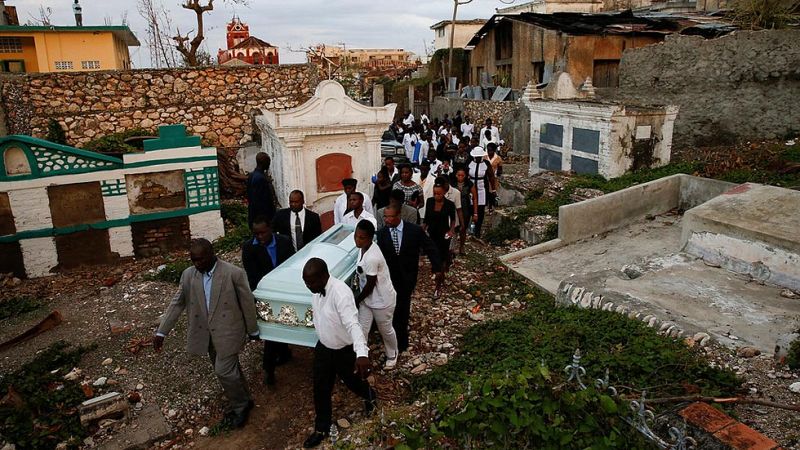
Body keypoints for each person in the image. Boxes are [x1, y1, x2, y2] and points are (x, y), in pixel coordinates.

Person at [154, 239, 259, 429]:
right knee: (231, 370)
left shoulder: (233, 273)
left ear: (212, 254)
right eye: (193, 260)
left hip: (229, 332)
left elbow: (247, 303)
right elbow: (177, 303)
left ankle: (240, 407)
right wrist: (162, 332)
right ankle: (246, 398)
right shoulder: (188, 276)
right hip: (207, 335)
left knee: (223, 371)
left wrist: (253, 330)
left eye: (201, 260)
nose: (197, 264)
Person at [301, 258, 376, 449]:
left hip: (344, 350)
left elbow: (353, 324)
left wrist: (361, 354)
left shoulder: (341, 293)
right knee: (320, 388)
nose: (308, 287)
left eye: (311, 282)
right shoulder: (316, 291)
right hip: (324, 348)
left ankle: (370, 396)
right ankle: (321, 428)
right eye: (306, 282)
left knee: (353, 382)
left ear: (324, 276)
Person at [377, 205, 443, 353]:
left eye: (390, 217)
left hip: (407, 277)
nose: (386, 220)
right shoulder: (381, 234)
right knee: (391, 308)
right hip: (389, 279)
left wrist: (437, 267)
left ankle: (401, 342)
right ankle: (391, 339)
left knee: (403, 308)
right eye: (385, 217)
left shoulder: (414, 231)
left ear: (398, 215)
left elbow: (430, 247)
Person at [241, 217, 295, 386]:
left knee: (284, 325)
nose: (260, 236)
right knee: (272, 332)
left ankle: (284, 353)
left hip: (285, 291)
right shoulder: (249, 248)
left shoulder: (284, 242)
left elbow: (292, 265)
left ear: (270, 229)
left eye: (263, 232)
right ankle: (269, 369)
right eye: (256, 234)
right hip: (266, 295)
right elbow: (253, 276)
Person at [353, 221, 399, 369]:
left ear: (370, 238)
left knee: (385, 329)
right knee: (362, 329)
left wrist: (357, 299)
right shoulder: (363, 249)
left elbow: (371, 284)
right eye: (356, 236)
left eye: (362, 238)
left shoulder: (372, 257)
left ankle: (392, 354)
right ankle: (362, 357)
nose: (357, 240)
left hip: (381, 300)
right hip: (367, 300)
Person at [423, 183, 457, 294]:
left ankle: (439, 283)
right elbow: (426, 219)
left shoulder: (449, 205)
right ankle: (438, 272)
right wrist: (422, 230)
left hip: (444, 234)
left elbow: (453, 220)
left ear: (444, 193)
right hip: (432, 234)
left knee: (441, 257)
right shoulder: (430, 202)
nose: (437, 195)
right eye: (435, 193)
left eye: (439, 193)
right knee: (433, 256)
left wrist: (451, 231)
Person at [467, 146, 496, 238]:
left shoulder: (486, 164)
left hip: (482, 189)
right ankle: (471, 227)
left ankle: (478, 230)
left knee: (480, 210)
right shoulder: (469, 163)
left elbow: (491, 177)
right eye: (477, 156)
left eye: (480, 156)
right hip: (471, 189)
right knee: (470, 209)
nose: (478, 158)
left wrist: (493, 189)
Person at [246, 152, 276, 229]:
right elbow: (260, 202)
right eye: (268, 163)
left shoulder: (252, 175)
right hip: (261, 218)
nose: (269, 165)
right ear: (264, 163)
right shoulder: (260, 178)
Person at [452, 167, 478, 255]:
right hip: (454, 207)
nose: (460, 177)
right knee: (454, 227)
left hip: (465, 208)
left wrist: (475, 213)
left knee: (463, 228)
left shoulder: (469, 184)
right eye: (458, 175)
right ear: (456, 175)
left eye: (462, 175)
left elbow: (474, 198)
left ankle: (462, 246)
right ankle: (452, 247)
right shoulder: (452, 184)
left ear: (465, 176)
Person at [486, 143, 503, 210]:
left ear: (494, 150)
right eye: (488, 150)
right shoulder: (484, 157)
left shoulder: (498, 158)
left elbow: (500, 169)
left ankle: (491, 206)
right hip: (485, 177)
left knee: (492, 192)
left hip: (493, 178)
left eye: (491, 150)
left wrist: (497, 173)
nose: (489, 152)